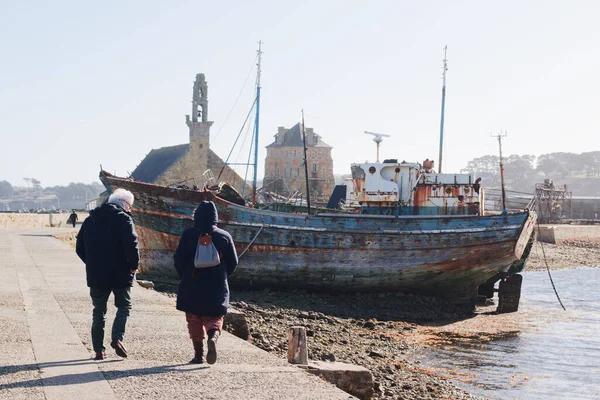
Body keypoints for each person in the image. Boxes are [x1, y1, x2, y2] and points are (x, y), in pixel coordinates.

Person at [76, 188, 139, 360]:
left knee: (98, 312)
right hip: (121, 273)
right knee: (124, 307)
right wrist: (134, 266)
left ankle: (98, 350)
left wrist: (92, 264)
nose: (131, 210)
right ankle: (117, 338)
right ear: (125, 204)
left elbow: (79, 247)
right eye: (130, 206)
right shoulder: (123, 219)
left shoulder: (90, 220)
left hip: (97, 275)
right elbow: (132, 245)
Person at [174, 200, 238, 364]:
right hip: (216, 286)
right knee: (215, 317)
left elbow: (178, 259)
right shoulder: (224, 236)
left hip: (192, 284)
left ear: (196, 216)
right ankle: (213, 336)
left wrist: (184, 275)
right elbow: (233, 262)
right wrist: (223, 275)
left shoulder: (188, 234)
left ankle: (198, 355)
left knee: (194, 319)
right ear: (215, 217)